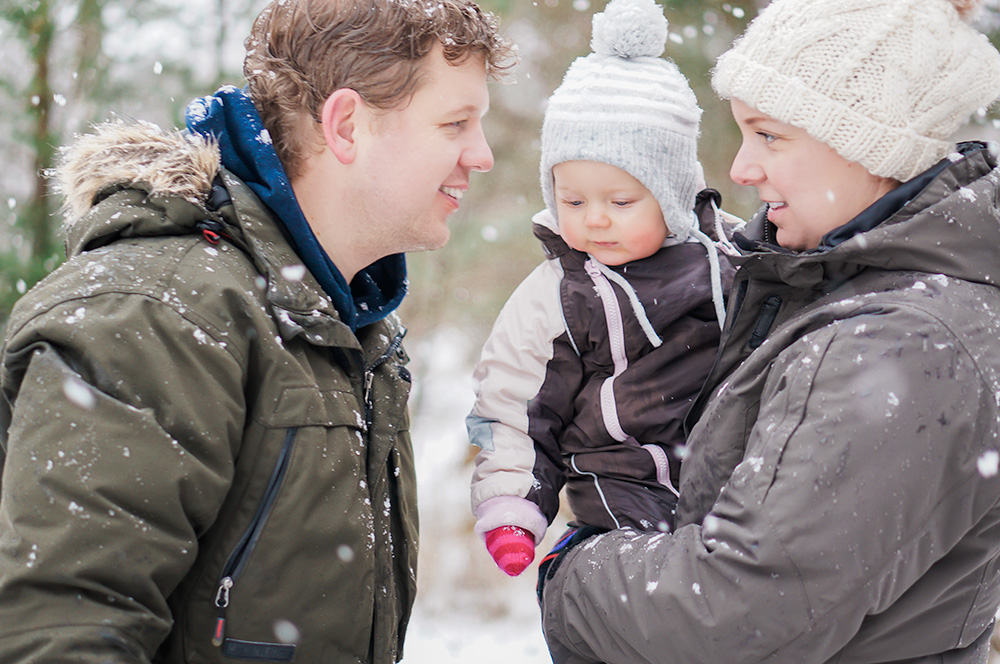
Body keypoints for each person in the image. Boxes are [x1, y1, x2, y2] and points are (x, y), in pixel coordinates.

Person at [0, 0, 513, 661]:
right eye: (455, 123)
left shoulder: (348, 328)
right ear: (348, 125)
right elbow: (58, 630)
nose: (484, 155)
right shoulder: (158, 312)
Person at [536, 0, 1000, 662]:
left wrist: (572, 570)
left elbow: (734, 614)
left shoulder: (907, 345)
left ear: (864, 142)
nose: (742, 170)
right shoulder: (821, 291)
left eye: (769, 136)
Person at [467, 0, 735, 579]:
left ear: (671, 192)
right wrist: (513, 502)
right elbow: (514, 402)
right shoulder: (560, 293)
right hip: (621, 500)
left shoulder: (733, 259)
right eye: (572, 201)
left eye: (619, 202)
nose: (594, 220)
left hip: (736, 487)